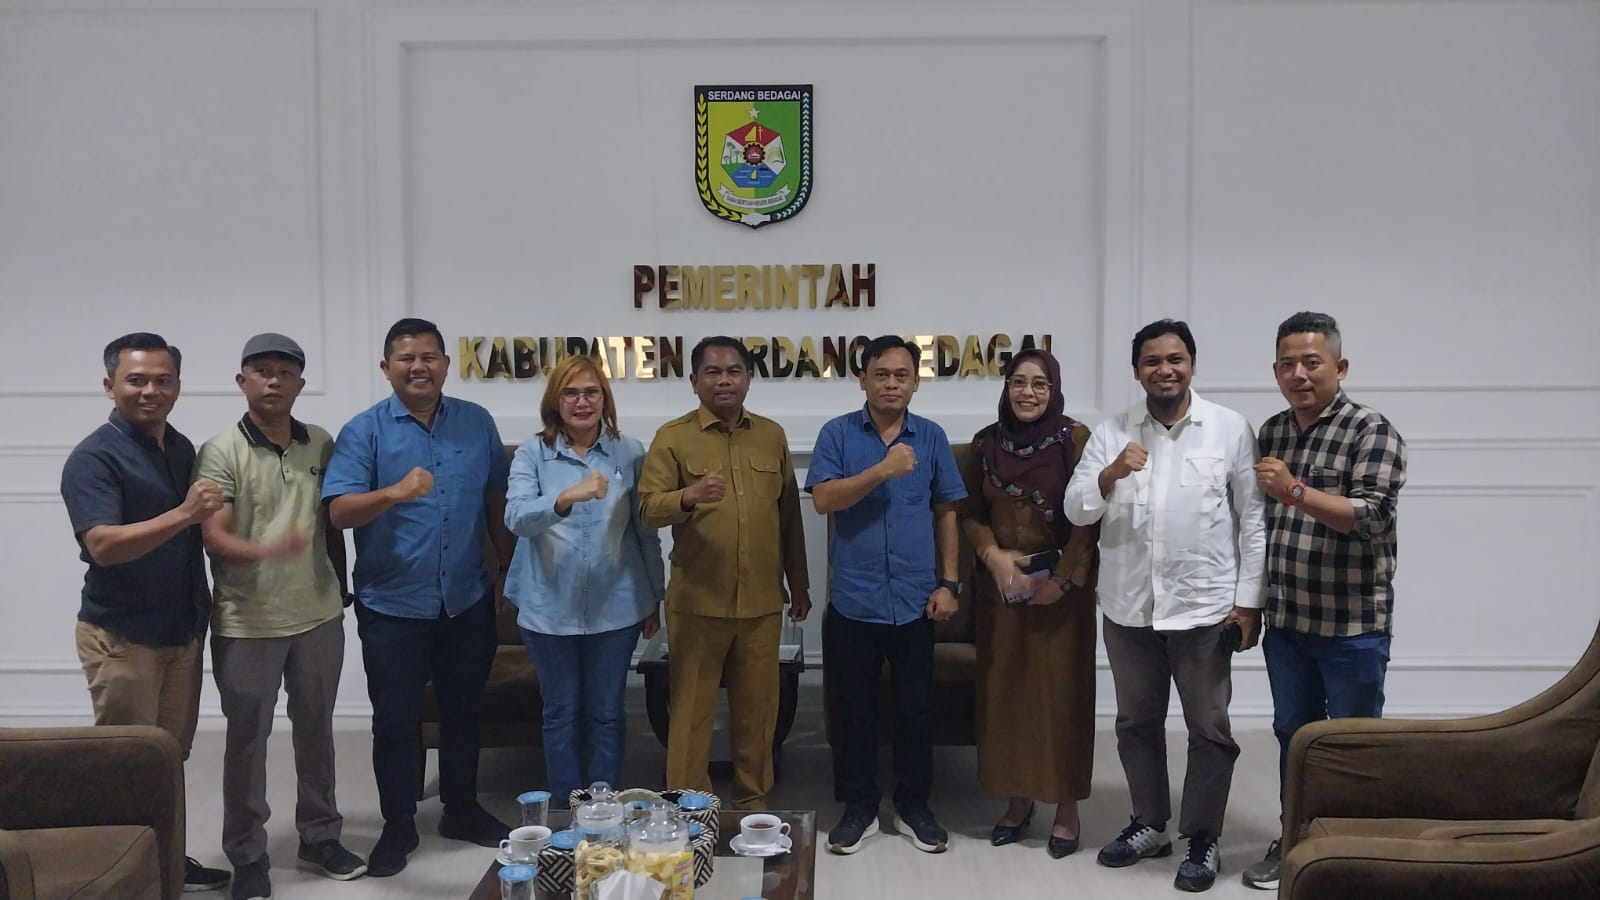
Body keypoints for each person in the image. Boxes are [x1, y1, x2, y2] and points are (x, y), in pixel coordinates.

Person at [1065, 319, 1266, 893]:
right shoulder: (1112, 432)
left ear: (1192, 364)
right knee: (1135, 725)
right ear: (1137, 372)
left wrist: (1248, 604)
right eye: (1152, 361)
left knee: (1209, 729)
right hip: (1129, 608)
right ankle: (1149, 824)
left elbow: (1252, 520)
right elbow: (1076, 509)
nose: (1165, 370)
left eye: (1175, 359)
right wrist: (1110, 473)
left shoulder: (1228, 428)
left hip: (1204, 610)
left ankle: (1201, 837)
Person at [321, 317, 515, 877]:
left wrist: (506, 567)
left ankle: (461, 809)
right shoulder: (364, 431)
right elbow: (338, 512)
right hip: (392, 605)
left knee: (464, 710)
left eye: (429, 357)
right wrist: (395, 492)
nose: (419, 367)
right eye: (406, 359)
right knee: (396, 720)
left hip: (465, 597)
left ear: (446, 365)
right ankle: (399, 822)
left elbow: (496, 497)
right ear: (387, 368)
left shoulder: (476, 422)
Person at [194, 334, 367, 898]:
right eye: (262, 370)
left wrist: (340, 586)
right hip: (248, 622)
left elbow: (333, 522)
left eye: (285, 372)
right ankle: (248, 855)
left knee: (317, 732)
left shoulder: (321, 442)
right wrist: (267, 550)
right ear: (242, 381)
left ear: (299, 383)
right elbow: (214, 537)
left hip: (318, 615)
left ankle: (320, 837)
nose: (273, 380)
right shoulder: (220, 450)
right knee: (247, 741)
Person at [59, 332, 231, 892]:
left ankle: (167, 862)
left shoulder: (179, 448)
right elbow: (103, 546)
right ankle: (115, 873)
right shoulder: (93, 457)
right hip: (123, 635)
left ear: (178, 386)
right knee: (124, 762)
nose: (150, 390)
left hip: (180, 630)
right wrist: (183, 514)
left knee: (167, 758)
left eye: (163, 380)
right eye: (136, 380)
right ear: (110, 386)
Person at [1241, 311, 1407, 891]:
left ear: (1340, 367)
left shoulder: (1371, 430)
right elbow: (1256, 524)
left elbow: (1372, 515)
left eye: (1312, 362)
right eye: (1287, 364)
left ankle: (1356, 851)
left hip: (1353, 625)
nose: (1299, 374)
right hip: (1288, 622)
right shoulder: (1272, 431)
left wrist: (1294, 489)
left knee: (1354, 743)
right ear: (1275, 371)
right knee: (1294, 736)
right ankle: (1295, 840)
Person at [806, 335, 967, 856]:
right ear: (863, 380)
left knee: (915, 711)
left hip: (917, 601)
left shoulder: (932, 436)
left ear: (915, 382)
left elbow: (946, 512)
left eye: (902, 375)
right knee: (855, 713)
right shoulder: (837, 433)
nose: (892, 384)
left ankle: (914, 806)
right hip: (855, 601)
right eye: (881, 374)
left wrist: (949, 584)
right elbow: (824, 499)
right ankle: (860, 807)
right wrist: (882, 469)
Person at [638, 336, 811, 811]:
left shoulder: (771, 435)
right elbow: (648, 509)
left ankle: (752, 804)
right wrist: (688, 497)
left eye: (734, 371)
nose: (724, 380)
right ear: (694, 381)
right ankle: (691, 810)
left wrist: (798, 582)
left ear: (749, 378)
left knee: (757, 712)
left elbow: (789, 518)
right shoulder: (673, 437)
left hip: (761, 602)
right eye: (712, 372)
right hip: (698, 602)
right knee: (691, 714)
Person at [503, 354, 665, 808]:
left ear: (604, 399)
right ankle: (567, 810)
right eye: (570, 393)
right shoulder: (532, 454)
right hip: (548, 609)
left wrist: (655, 595)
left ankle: (603, 809)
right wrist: (566, 497)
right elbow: (516, 518)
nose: (582, 402)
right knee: (561, 713)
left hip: (617, 606)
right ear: (555, 401)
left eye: (591, 392)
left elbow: (644, 532)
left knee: (607, 713)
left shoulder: (630, 452)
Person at [957, 348, 1100, 859]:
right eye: (1018, 382)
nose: (1028, 393)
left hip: (1062, 597)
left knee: (1062, 698)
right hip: (1004, 593)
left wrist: (1062, 580)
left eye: (1040, 384)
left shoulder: (1075, 440)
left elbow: (1090, 518)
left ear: (1054, 390)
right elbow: (969, 513)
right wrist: (991, 556)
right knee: (1007, 696)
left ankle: (1066, 807)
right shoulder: (985, 444)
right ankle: (1017, 802)